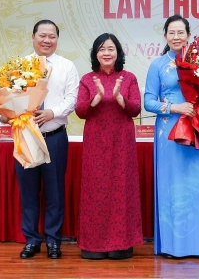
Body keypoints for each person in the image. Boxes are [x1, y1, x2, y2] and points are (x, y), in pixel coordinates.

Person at [143, 15, 199, 258]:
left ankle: (196, 245)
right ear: (165, 36)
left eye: (181, 32)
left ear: (188, 35)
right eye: (172, 32)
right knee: (171, 185)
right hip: (169, 132)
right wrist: (174, 107)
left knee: (195, 185)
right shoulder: (158, 65)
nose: (176, 37)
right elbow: (148, 101)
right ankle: (171, 246)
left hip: (196, 129)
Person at [5, 19, 79, 260]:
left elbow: (72, 99)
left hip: (54, 137)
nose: (47, 40)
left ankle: (53, 241)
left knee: (55, 193)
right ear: (33, 37)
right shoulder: (19, 66)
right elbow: (8, 98)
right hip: (26, 136)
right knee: (28, 192)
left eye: (52, 36)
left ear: (57, 39)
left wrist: (52, 112)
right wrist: (7, 113)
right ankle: (32, 240)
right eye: (42, 35)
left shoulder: (67, 66)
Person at [75, 33, 143, 260]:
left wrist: (120, 99)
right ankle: (93, 244)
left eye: (111, 49)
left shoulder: (128, 78)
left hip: (122, 141)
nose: (106, 53)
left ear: (118, 53)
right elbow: (80, 111)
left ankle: (121, 244)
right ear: (96, 54)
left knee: (121, 189)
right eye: (102, 49)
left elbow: (136, 109)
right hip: (96, 141)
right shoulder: (87, 79)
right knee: (96, 189)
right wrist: (96, 99)